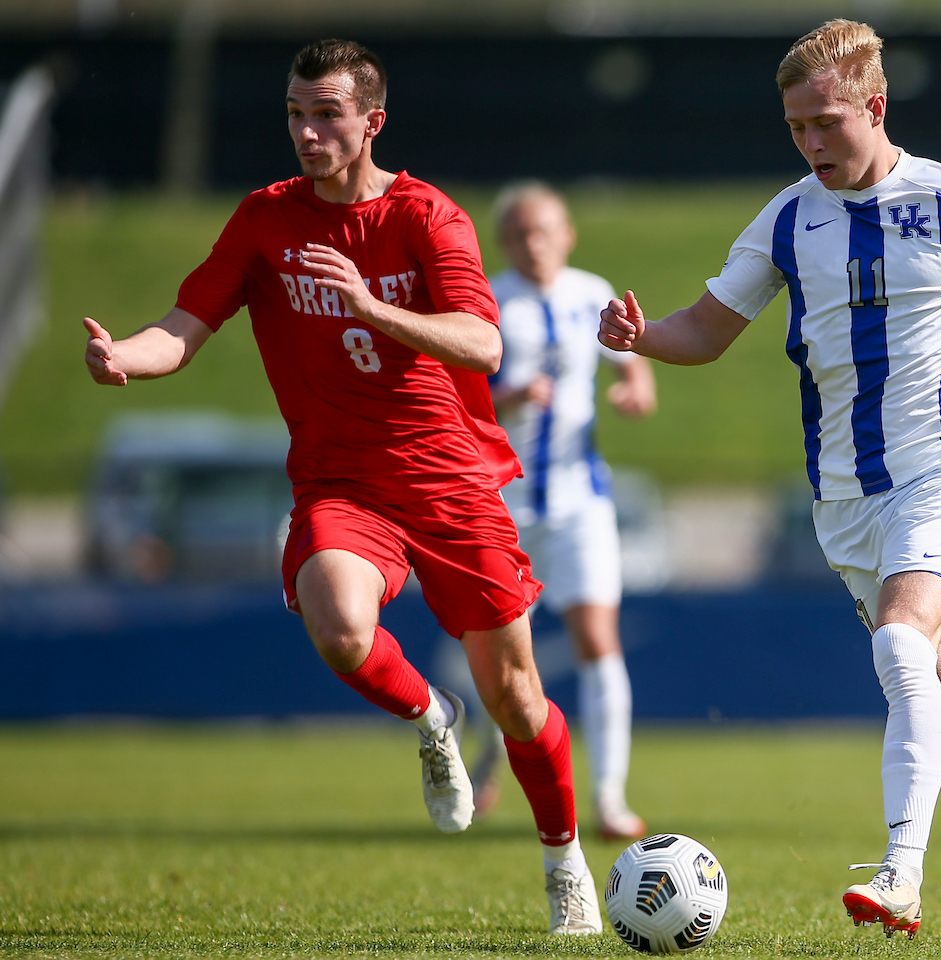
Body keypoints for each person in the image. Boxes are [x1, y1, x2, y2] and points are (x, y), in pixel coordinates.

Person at [599, 19, 941, 939]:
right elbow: (707, 330)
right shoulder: (790, 216)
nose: (811, 143)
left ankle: (900, 877)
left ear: (875, 108)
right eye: (796, 127)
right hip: (846, 497)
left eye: (827, 122)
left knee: (902, 645)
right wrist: (642, 337)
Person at [82, 39, 602, 936]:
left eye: (326, 114)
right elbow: (184, 325)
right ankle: (431, 717)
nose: (307, 131)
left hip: (450, 482)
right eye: (294, 112)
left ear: (372, 122)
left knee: (517, 698)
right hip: (341, 481)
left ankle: (564, 861)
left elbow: (485, 345)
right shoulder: (265, 221)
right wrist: (122, 357)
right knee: (339, 628)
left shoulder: (428, 217)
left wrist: (371, 308)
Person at [474, 181, 656, 840]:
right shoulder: (487, 300)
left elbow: (632, 364)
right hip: (503, 501)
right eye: (519, 234)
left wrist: (634, 387)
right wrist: (511, 396)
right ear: (504, 242)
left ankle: (609, 798)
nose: (533, 244)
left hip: (582, 498)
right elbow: (455, 403)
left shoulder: (590, 292)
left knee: (597, 640)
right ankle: (493, 753)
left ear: (567, 233)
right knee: (501, 654)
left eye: (543, 230)